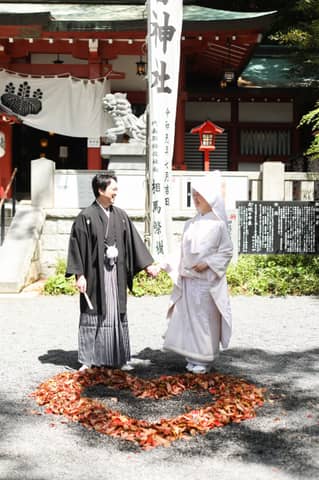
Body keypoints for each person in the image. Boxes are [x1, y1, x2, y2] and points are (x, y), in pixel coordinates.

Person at [66, 171, 157, 371]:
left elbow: (134, 242)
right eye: (113, 188)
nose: (116, 192)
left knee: (116, 312)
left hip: (115, 274)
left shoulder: (121, 216)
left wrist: (147, 265)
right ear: (101, 190)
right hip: (94, 275)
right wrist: (79, 275)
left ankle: (119, 358)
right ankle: (88, 359)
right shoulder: (86, 217)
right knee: (93, 313)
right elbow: (77, 247)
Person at [160, 171, 233, 374]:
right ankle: (192, 356)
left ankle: (204, 358)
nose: (196, 199)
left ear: (211, 198)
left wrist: (208, 263)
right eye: (194, 195)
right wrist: (164, 265)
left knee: (205, 320)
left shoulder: (219, 225)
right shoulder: (189, 224)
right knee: (188, 319)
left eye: (199, 195)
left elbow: (227, 251)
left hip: (207, 283)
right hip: (189, 281)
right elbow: (180, 251)